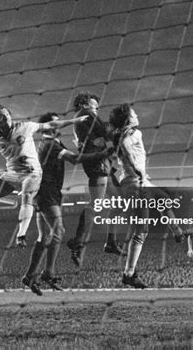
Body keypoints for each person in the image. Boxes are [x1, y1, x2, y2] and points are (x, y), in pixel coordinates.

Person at [0, 105, 88, 247]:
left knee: (27, 196)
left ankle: (21, 234)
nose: (6, 117)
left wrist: (75, 120)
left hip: (32, 173)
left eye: (7, 114)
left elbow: (51, 124)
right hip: (12, 174)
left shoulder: (25, 127)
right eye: (0, 116)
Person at [21, 112, 113, 295]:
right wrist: (103, 154)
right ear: (47, 127)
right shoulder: (50, 145)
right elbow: (75, 159)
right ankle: (48, 273)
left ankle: (30, 276)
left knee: (43, 236)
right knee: (59, 232)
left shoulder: (49, 144)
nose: (58, 126)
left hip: (45, 192)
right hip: (47, 193)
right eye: (54, 123)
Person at [109, 103, 185, 289]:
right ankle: (129, 274)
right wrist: (138, 170)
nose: (137, 116)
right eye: (134, 114)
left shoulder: (126, 134)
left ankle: (177, 232)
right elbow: (126, 150)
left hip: (140, 182)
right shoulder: (132, 135)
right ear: (128, 119)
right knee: (141, 231)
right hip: (136, 184)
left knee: (164, 199)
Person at [67, 92, 120, 267]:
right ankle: (78, 242)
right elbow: (105, 133)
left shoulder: (87, 117)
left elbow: (103, 135)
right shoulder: (85, 116)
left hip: (101, 162)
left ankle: (111, 242)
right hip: (96, 162)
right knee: (95, 205)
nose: (96, 106)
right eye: (93, 103)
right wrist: (117, 126)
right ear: (83, 104)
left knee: (119, 200)